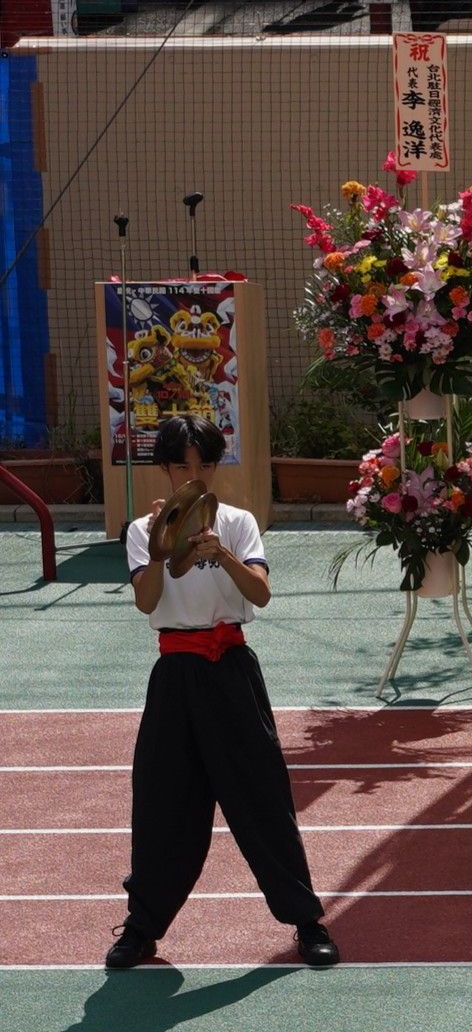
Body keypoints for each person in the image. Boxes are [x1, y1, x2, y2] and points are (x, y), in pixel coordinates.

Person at [106, 416, 339, 970]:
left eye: (204, 463)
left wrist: (222, 554)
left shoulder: (236, 522)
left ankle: (306, 922)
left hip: (232, 670)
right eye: (183, 464)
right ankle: (141, 929)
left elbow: (260, 592)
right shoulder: (143, 530)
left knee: (262, 798)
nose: (194, 473)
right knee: (163, 803)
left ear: (215, 465)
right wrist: (164, 547)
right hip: (176, 677)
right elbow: (146, 602)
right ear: (164, 468)